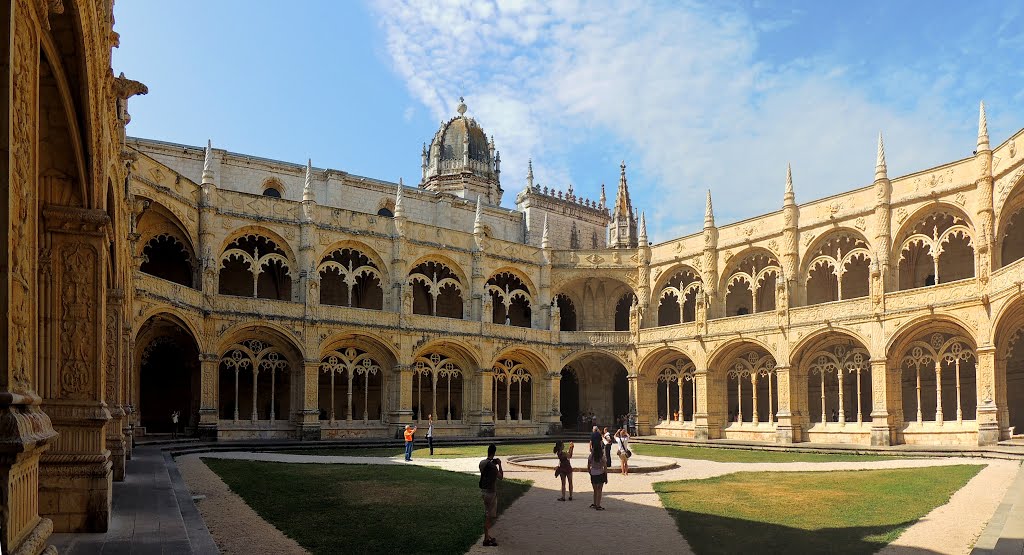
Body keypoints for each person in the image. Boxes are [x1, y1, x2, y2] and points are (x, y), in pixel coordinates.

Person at [479, 444, 504, 547]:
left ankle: (487, 536)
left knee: (487, 514)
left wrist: (492, 463)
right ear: (494, 452)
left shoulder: (482, 463)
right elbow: (501, 477)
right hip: (491, 493)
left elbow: (486, 471)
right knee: (490, 517)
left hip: (483, 492)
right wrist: (499, 465)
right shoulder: (493, 467)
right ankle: (486, 539)